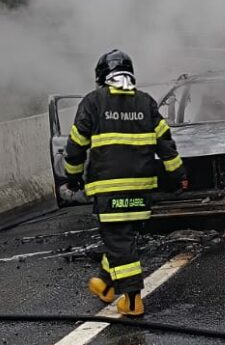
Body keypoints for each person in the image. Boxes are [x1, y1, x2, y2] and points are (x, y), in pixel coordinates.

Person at [63, 49, 186, 317]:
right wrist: (178, 177)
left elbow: (75, 147)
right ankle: (106, 285)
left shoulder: (93, 103)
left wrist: (71, 177)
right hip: (142, 191)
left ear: (102, 77)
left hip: (109, 192)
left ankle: (132, 301)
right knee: (123, 240)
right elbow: (166, 145)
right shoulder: (146, 103)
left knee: (118, 240)